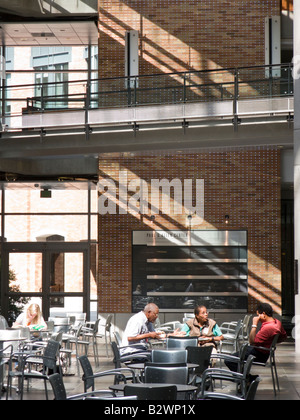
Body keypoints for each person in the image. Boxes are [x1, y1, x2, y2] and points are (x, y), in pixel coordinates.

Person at [225, 302, 287, 372]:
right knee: (236, 355)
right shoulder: (277, 322)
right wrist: (271, 343)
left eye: (258, 315)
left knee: (228, 360)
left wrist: (254, 325)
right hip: (263, 351)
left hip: (259, 354)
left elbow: (251, 341)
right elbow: (284, 337)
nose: (258, 318)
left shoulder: (268, 328)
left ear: (263, 314)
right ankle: (245, 379)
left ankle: (248, 379)